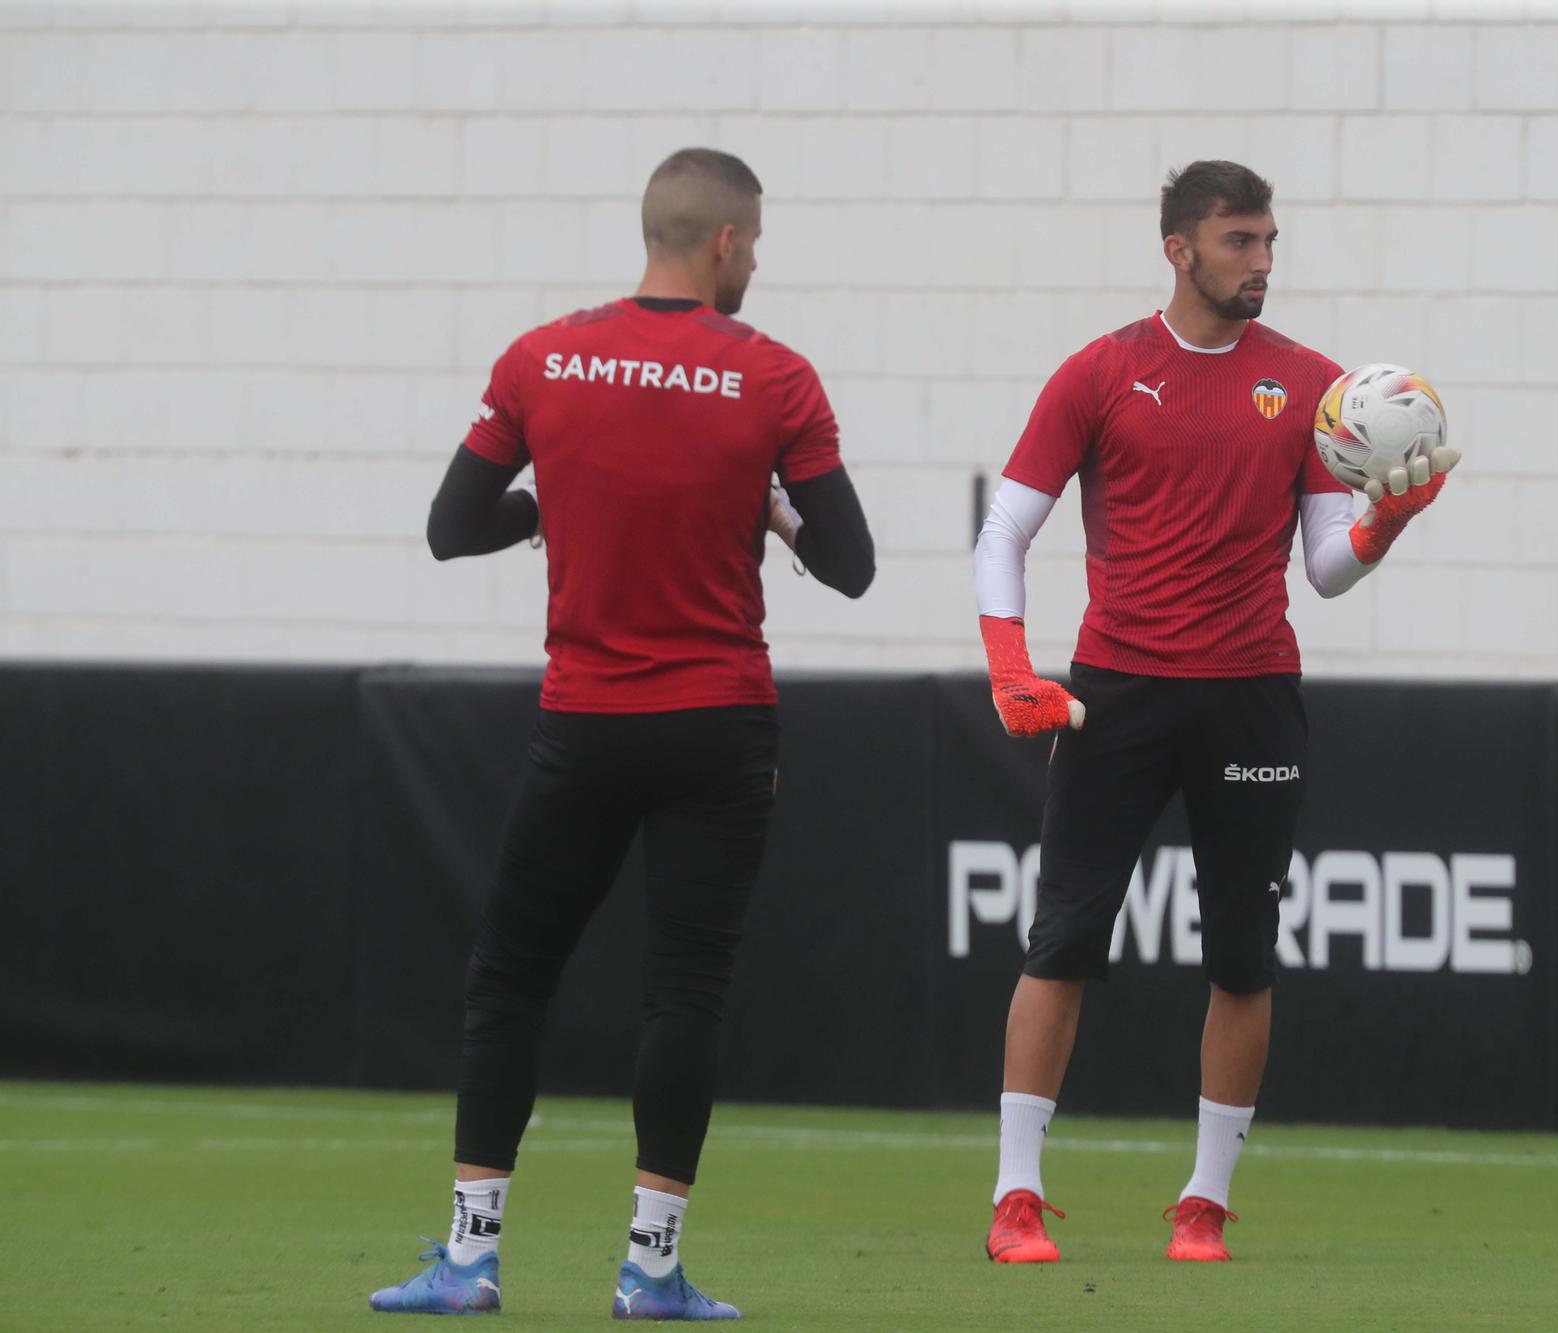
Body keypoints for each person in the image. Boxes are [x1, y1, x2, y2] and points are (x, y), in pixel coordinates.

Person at [368, 147, 874, 1321]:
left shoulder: (539, 359)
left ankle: (469, 1257)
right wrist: (767, 507)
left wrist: (546, 505)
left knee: (509, 981)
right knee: (684, 991)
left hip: (584, 725)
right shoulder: (776, 378)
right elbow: (847, 566)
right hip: (721, 728)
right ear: (728, 244)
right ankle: (649, 1270)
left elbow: (450, 528)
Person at [972, 160, 1456, 1265]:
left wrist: (1390, 521)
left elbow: (1325, 569)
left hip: (1249, 699)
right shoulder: (1098, 374)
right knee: (1061, 940)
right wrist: (1011, 666)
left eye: (1270, 241)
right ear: (1177, 249)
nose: (1262, 263)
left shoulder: (1317, 388)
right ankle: (1013, 1196)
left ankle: (1203, 1202)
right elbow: (1004, 533)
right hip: (1116, 695)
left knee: (1241, 954)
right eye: (1240, 242)